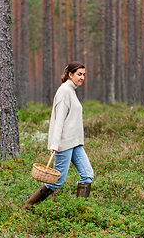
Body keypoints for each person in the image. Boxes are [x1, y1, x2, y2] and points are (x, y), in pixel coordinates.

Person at [22, 61, 94, 210]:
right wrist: (54, 145)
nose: (82, 78)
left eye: (84, 75)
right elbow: (58, 120)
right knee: (55, 181)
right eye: (79, 74)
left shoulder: (71, 90)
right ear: (70, 74)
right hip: (64, 143)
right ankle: (28, 207)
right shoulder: (64, 92)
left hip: (75, 143)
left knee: (87, 174)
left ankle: (80, 210)